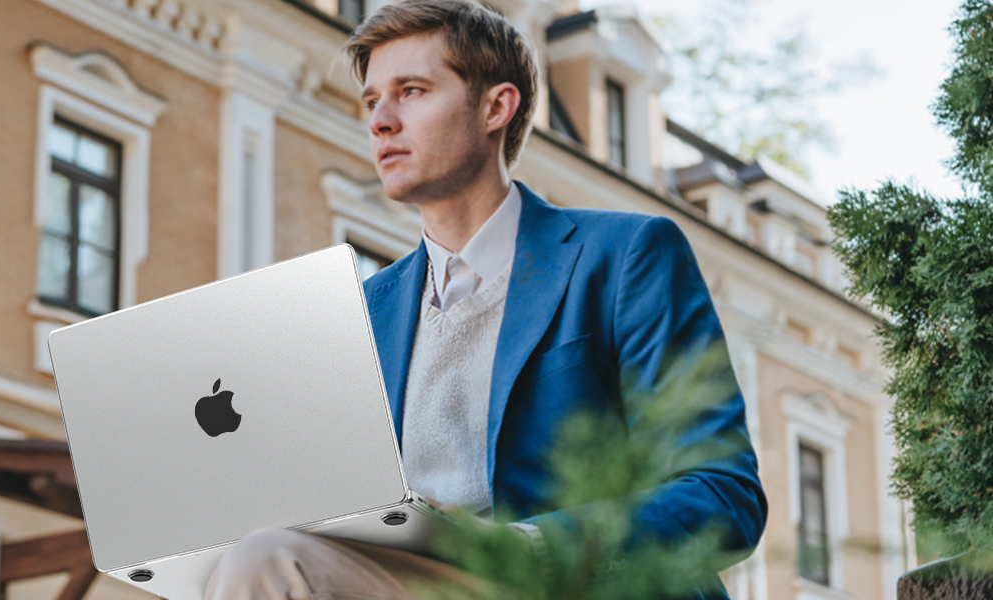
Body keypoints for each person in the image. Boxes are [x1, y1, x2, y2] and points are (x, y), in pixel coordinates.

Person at [202, 1, 768, 599]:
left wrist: (525, 547)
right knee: (257, 556)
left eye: (412, 91)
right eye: (372, 101)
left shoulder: (625, 257)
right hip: (407, 583)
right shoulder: (363, 313)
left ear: (497, 106)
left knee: (264, 561)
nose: (381, 121)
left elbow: (721, 494)